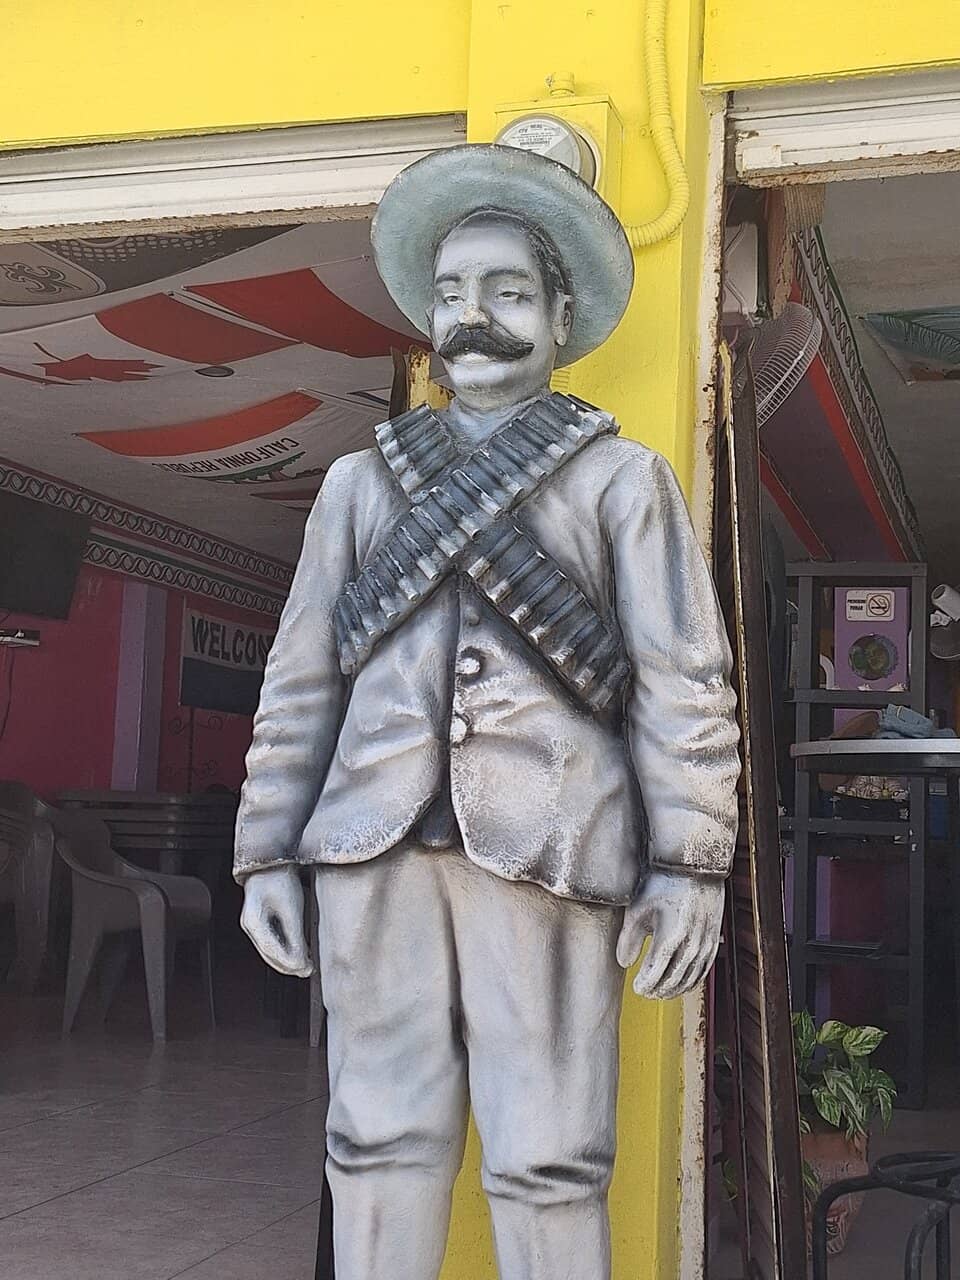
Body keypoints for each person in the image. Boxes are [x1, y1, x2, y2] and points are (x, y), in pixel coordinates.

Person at [234, 143, 740, 1280]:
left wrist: (691, 862)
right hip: (370, 847)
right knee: (372, 1140)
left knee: (551, 1156)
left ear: (561, 316)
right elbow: (302, 674)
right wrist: (266, 847)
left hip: (549, 846)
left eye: (510, 292)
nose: (477, 318)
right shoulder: (361, 484)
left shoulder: (623, 480)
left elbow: (682, 681)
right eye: (454, 293)